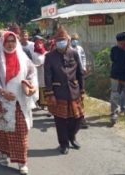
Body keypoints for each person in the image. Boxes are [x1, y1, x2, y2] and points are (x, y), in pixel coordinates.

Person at [0, 31, 38, 175]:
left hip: (20, 101)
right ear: (2, 43)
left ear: (16, 42)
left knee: (21, 131)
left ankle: (22, 162)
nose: (10, 44)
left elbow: (32, 74)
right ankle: (3, 154)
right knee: (3, 131)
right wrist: (2, 92)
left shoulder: (23, 58)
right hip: (2, 101)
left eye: (12, 41)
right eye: (7, 41)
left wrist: (31, 87)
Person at [44, 26, 85, 155]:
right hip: (58, 92)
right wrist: (50, 93)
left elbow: (80, 72)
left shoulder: (74, 53)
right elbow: (47, 76)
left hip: (74, 90)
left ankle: (72, 137)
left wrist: (82, 89)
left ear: (68, 40)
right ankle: (63, 143)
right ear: (55, 42)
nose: (61, 42)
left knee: (78, 118)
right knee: (60, 120)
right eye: (58, 40)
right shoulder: (50, 56)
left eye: (63, 40)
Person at [109, 32, 125, 125]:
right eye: (119, 43)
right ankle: (114, 114)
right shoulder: (114, 49)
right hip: (115, 76)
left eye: (123, 43)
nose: (121, 45)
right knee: (114, 95)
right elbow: (113, 60)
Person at [31, 37, 48, 109]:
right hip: (37, 72)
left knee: (45, 86)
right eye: (37, 44)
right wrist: (37, 66)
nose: (39, 45)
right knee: (38, 87)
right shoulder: (33, 54)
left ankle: (46, 103)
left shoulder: (46, 53)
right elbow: (31, 64)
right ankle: (40, 103)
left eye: (40, 44)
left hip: (45, 72)